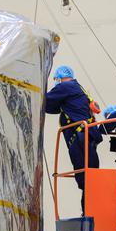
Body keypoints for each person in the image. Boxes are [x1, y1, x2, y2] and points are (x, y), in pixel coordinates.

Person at [44, 65, 101, 195]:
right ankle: (88, 208)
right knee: (88, 175)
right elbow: (52, 108)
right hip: (86, 136)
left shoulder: (65, 86)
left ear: (59, 78)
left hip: (79, 137)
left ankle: (89, 208)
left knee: (84, 175)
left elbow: (45, 101)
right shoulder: (76, 89)